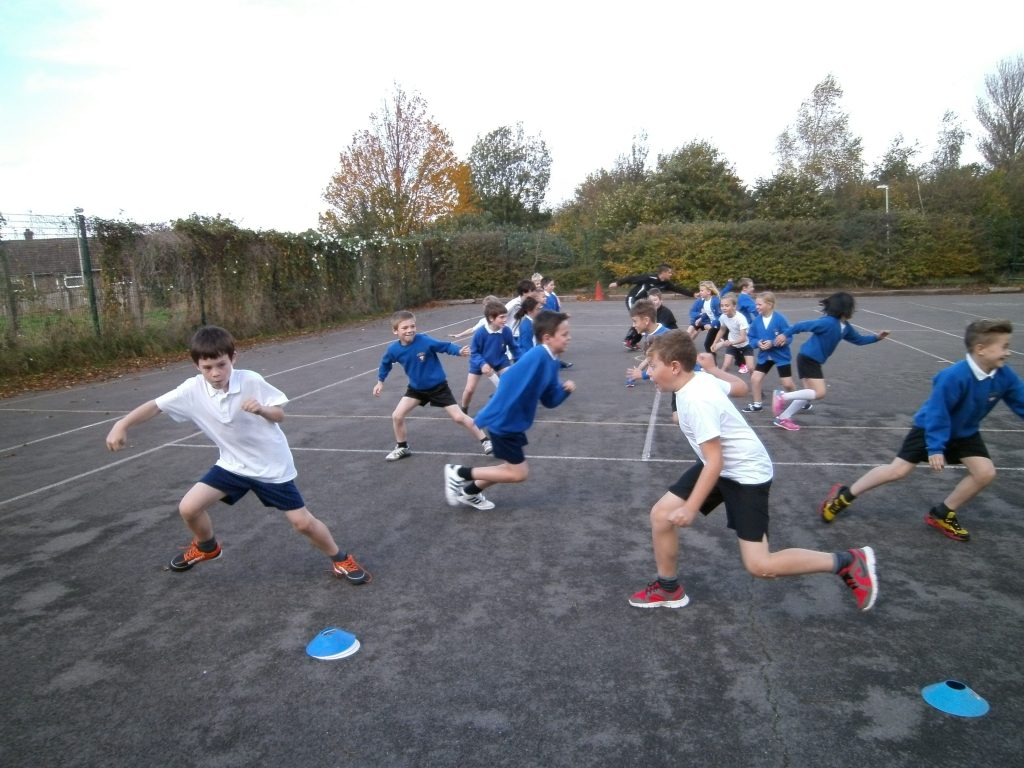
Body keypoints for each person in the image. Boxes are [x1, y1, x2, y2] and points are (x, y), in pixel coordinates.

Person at [627, 330, 878, 611]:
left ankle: (847, 561)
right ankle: (668, 588)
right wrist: (712, 370)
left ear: (674, 367)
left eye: (652, 366)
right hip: (722, 465)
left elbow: (715, 461)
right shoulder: (700, 379)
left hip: (745, 473)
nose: (649, 372)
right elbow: (741, 388)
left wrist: (691, 507)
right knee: (661, 515)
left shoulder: (696, 400)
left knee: (761, 565)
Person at [104, 325, 370, 583]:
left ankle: (340, 558)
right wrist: (121, 424)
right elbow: (154, 406)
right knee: (188, 508)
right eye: (207, 367)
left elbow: (280, 414)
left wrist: (262, 410)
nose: (216, 373)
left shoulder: (250, 381)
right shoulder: (191, 389)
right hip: (232, 465)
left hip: (271, 468)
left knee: (302, 523)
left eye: (222, 364)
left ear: (233, 358)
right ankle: (207, 547)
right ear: (196, 366)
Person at [820, 319, 1024, 542]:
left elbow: (1020, 402)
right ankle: (844, 496)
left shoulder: (1005, 376)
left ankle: (942, 514)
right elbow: (938, 412)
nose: (1008, 352)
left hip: (965, 433)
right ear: (981, 349)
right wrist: (935, 446)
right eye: (1004, 346)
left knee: (984, 472)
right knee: (897, 471)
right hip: (930, 428)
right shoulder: (953, 376)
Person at [444, 310, 575, 510]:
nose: (569, 338)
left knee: (509, 468)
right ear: (547, 338)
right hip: (504, 422)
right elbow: (509, 380)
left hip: (513, 423)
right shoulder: (538, 356)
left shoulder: (552, 361)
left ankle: (470, 493)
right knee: (518, 473)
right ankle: (459, 473)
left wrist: (564, 391)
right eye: (564, 334)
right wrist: (488, 414)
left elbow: (549, 400)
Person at [373, 310, 493, 461]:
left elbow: (445, 346)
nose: (410, 330)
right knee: (397, 416)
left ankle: (486, 441)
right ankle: (402, 447)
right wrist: (380, 381)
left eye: (412, 326)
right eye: (404, 328)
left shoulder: (424, 340)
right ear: (395, 331)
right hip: (416, 389)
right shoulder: (393, 349)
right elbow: (385, 364)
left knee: (458, 417)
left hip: (438, 388)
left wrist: (458, 351)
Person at [771, 292, 890, 431]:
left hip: (810, 359)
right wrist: (785, 334)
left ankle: (783, 418)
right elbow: (801, 325)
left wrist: (877, 338)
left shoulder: (845, 327)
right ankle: (782, 396)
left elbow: (859, 340)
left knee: (808, 393)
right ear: (846, 308)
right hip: (809, 359)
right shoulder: (827, 322)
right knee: (820, 392)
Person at [742, 291, 805, 414]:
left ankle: (801, 399)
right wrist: (758, 343)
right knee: (755, 378)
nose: (757, 307)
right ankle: (757, 404)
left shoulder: (780, 319)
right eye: (756, 304)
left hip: (781, 356)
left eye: (759, 304)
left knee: (787, 384)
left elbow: (789, 336)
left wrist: (773, 342)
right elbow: (751, 337)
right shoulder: (757, 321)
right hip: (765, 356)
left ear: (769, 304)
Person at [609, 264, 691, 350]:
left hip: (644, 302)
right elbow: (632, 278)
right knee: (639, 318)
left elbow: (678, 289)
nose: (671, 274)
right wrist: (618, 283)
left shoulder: (666, 283)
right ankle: (628, 340)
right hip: (633, 299)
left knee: (646, 320)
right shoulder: (650, 278)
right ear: (663, 273)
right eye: (669, 272)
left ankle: (633, 342)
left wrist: (692, 294)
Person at [460, 300, 517, 413]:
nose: (505, 320)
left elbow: (514, 347)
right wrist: (482, 364)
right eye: (502, 317)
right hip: (480, 362)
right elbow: (474, 352)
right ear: (491, 318)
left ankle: (507, 408)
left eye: (505, 316)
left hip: (500, 360)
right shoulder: (480, 333)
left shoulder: (506, 331)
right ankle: (463, 409)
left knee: (510, 381)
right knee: (470, 389)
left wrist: (521, 360)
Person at [624, 299, 669, 387]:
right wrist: (635, 374)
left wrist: (642, 375)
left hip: (688, 384)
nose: (633, 325)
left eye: (635, 321)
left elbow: (666, 368)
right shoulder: (651, 333)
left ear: (646, 320)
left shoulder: (662, 338)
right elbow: (649, 358)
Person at [712, 293, 755, 374]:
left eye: (727, 306)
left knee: (751, 368)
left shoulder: (740, 319)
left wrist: (730, 342)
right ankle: (720, 384)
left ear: (734, 306)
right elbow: (722, 330)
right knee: (725, 366)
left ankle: (755, 384)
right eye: (722, 306)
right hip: (733, 344)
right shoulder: (723, 317)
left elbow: (743, 338)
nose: (724, 308)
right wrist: (714, 342)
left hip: (745, 345)